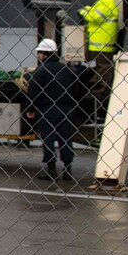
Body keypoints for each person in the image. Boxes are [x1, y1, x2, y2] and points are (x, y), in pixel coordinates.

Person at [26, 38, 80, 181]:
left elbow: (34, 91)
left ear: (44, 54)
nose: (38, 56)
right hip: (65, 108)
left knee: (48, 137)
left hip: (47, 108)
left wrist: (30, 108)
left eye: (39, 53)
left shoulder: (41, 71)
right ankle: (68, 171)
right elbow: (76, 89)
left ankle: (51, 170)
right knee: (66, 138)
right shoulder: (67, 69)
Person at [79, 0, 121, 106]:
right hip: (98, 43)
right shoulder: (102, 1)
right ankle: (98, 87)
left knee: (103, 67)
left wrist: (83, 11)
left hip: (102, 43)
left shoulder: (106, 2)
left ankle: (103, 90)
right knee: (97, 66)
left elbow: (94, 17)